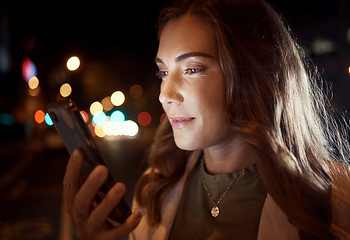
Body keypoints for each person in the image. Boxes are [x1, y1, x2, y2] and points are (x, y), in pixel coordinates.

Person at [63, 0, 350, 239]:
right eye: (163, 72)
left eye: (192, 69)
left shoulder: (336, 201)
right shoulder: (153, 192)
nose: (165, 94)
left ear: (254, 74)